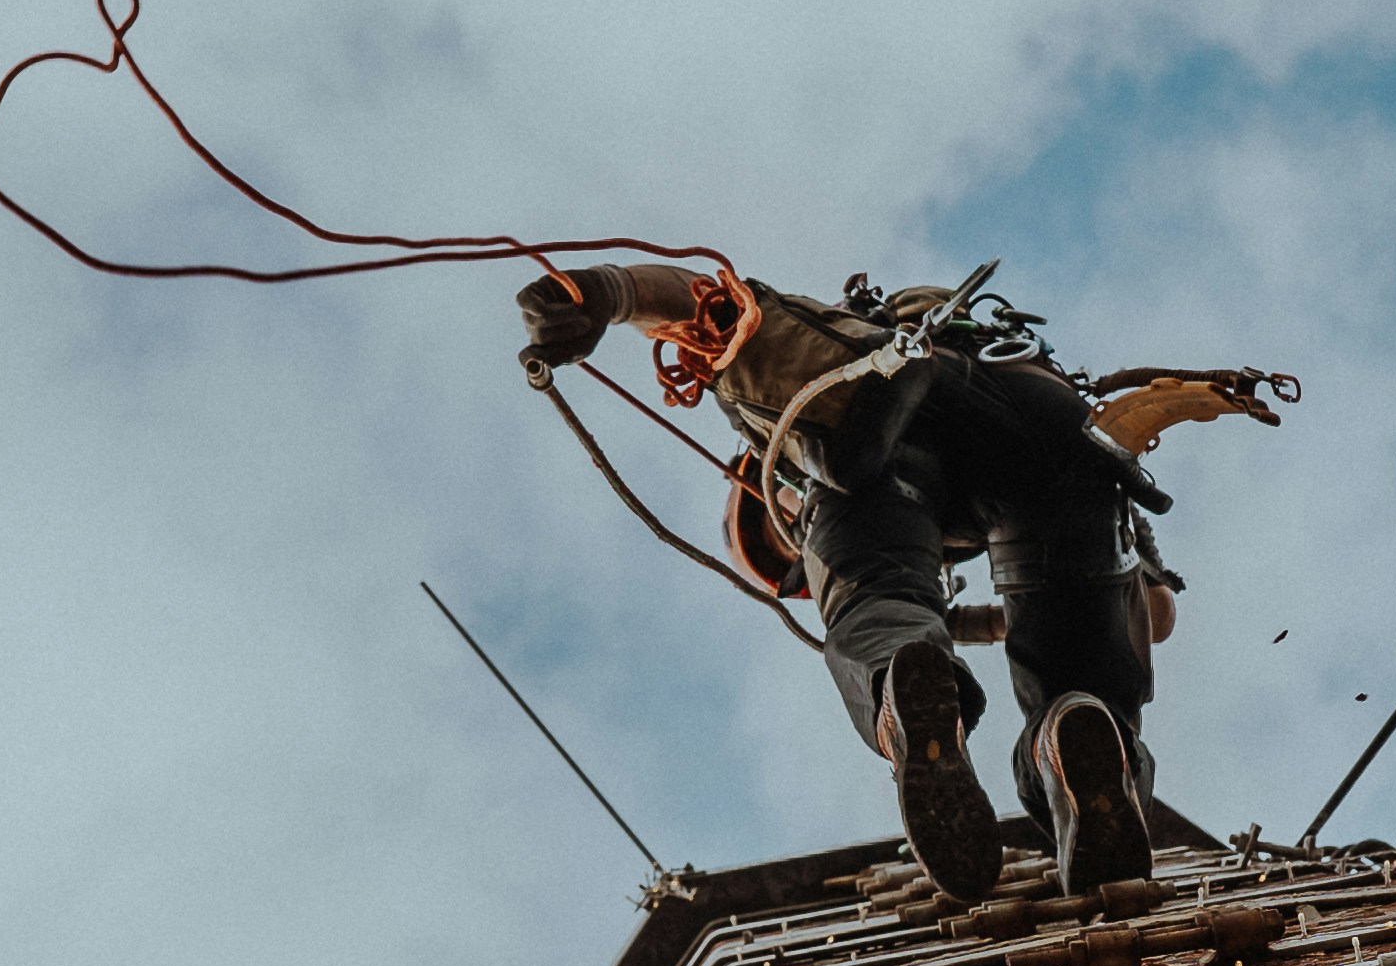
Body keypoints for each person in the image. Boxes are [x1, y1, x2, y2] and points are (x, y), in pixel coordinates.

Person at [513, 260, 1277, 901]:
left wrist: (604, 290)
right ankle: (1065, 745)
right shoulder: (961, 350)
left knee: (877, 605)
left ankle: (898, 698)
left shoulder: (812, 447)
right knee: (1083, 682)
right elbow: (1159, 615)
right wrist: (1058, 609)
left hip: (880, 429)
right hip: (1047, 421)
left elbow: (714, 311)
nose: (803, 572)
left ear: (763, 490)